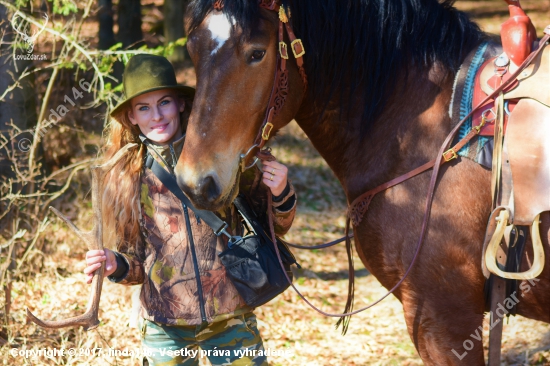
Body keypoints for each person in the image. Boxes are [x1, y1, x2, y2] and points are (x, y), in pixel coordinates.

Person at [83, 54, 297, 366]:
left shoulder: (220, 156)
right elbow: (138, 264)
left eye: (164, 102)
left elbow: (275, 227)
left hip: (229, 318)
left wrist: (281, 192)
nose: (156, 116)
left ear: (181, 104)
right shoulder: (125, 176)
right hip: (164, 327)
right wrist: (116, 264)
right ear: (131, 116)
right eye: (144, 107)